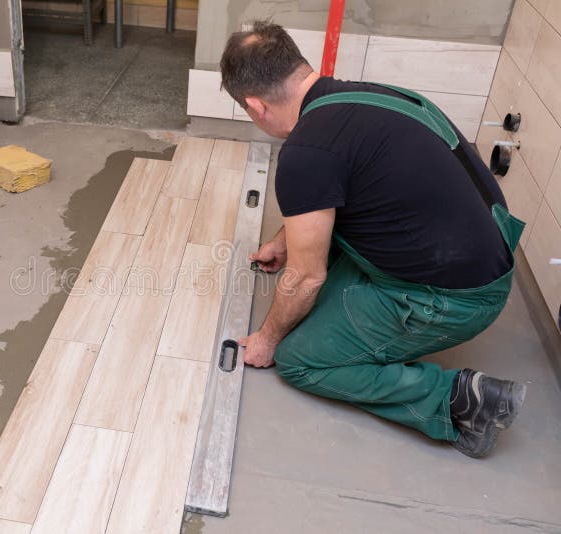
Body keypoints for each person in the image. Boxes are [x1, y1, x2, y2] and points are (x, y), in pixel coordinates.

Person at [223, 21, 526, 458]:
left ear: (256, 105)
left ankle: (463, 400)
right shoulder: (368, 96)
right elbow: (339, 181)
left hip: (455, 300)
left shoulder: (306, 152)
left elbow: (306, 278)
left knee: (301, 358)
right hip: (485, 253)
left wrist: (268, 340)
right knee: (313, 292)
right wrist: (284, 240)